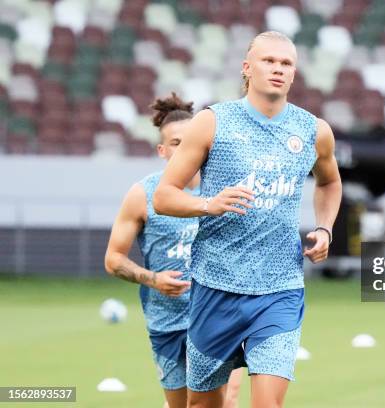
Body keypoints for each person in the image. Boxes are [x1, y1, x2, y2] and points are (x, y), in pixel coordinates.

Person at [153, 31, 342, 408]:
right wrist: (210, 204)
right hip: (215, 287)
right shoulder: (212, 122)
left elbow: (330, 182)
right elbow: (163, 196)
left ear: (294, 73)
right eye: (268, 61)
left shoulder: (313, 131)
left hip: (280, 288)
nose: (277, 69)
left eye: (286, 63)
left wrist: (324, 227)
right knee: (201, 405)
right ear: (247, 68)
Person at [104, 93, 242, 408]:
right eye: (177, 143)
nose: (185, 148)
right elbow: (113, 260)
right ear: (163, 151)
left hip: (217, 315)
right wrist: (153, 279)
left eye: (191, 140)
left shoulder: (225, 190)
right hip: (166, 322)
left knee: (223, 400)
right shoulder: (143, 195)